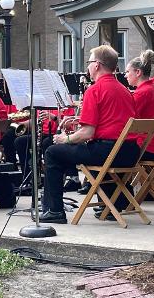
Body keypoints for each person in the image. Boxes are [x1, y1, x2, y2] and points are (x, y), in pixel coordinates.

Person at [40, 45, 137, 224]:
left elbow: (87, 133)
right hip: (129, 152)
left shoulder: (95, 89)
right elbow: (114, 120)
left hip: (108, 151)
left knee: (53, 152)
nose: (88, 66)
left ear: (97, 65)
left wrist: (65, 139)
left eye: (90, 62)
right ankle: (112, 204)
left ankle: (54, 211)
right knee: (83, 148)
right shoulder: (124, 89)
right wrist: (79, 121)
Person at [125, 50, 154, 196]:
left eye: (128, 72)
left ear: (138, 72)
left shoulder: (142, 92)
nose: (125, 75)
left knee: (112, 154)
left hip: (148, 145)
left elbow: (128, 120)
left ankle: (121, 198)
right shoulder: (153, 88)